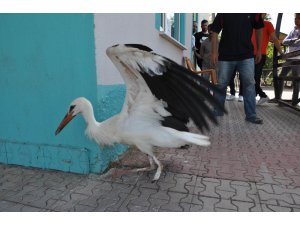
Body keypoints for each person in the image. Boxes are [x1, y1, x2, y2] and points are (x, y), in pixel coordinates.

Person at [211, 13, 264, 124]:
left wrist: (259, 49)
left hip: (246, 55)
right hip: (225, 55)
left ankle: (251, 115)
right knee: (221, 84)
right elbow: (215, 31)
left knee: (249, 83)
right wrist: (214, 52)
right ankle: (217, 111)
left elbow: (259, 28)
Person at [252, 13, 284, 105]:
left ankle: (262, 96)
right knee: (249, 77)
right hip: (248, 54)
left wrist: (282, 53)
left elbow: (274, 39)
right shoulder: (250, 23)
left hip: (260, 55)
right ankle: (261, 96)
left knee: (255, 77)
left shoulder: (267, 24)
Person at [276, 13, 300, 105]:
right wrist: (291, 41)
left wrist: (295, 42)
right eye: (295, 18)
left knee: (296, 80)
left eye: (299, 18)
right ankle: (279, 98)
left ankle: (294, 102)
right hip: (289, 58)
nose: (296, 20)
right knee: (280, 76)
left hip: (298, 59)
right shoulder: (293, 30)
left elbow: (298, 43)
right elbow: (285, 41)